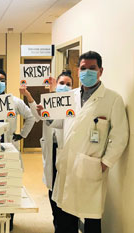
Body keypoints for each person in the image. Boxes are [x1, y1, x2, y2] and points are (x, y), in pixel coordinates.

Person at [51, 51, 129, 233]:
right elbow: (60, 123)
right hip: (68, 164)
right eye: (83, 68)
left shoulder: (112, 99)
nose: (87, 72)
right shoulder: (69, 96)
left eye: (92, 68)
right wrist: (46, 114)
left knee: (92, 220)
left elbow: (120, 136)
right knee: (65, 216)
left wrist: (105, 163)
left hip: (91, 166)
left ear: (100, 71)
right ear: (77, 71)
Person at [0, 69, 35, 233]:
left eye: (2, 80)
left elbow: (31, 116)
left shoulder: (15, 102)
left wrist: (22, 134)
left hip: (10, 149)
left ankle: (8, 217)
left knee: (9, 184)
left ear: (5, 82)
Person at [20, 70, 74, 231]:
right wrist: (28, 95)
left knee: (66, 197)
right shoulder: (49, 102)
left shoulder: (75, 103)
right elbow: (37, 116)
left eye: (68, 84)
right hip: (52, 152)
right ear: (56, 84)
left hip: (68, 153)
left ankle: (65, 226)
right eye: (61, 83)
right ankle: (57, 225)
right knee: (52, 194)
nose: (64, 86)